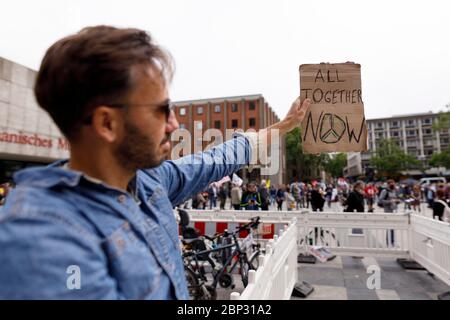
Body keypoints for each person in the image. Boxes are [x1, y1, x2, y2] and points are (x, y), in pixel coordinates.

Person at [0, 25, 311, 299]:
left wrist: (283, 127)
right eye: (161, 110)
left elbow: (214, 160)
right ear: (107, 123)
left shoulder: (148, 181)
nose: (174, 124)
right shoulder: (43, 241)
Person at [379, 179, 400, 246]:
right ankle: (389, 241)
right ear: (388, 184)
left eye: (393, 183)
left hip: (394, 210)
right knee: (389, 226)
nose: (392, 185)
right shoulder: (384, 191)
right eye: (391, 184)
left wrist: (397, 201)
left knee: (393, 226)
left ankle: (392, 241)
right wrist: (389, 202)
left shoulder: (394, 191)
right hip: (388, 210)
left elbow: (396, 199)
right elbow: (380, 200)